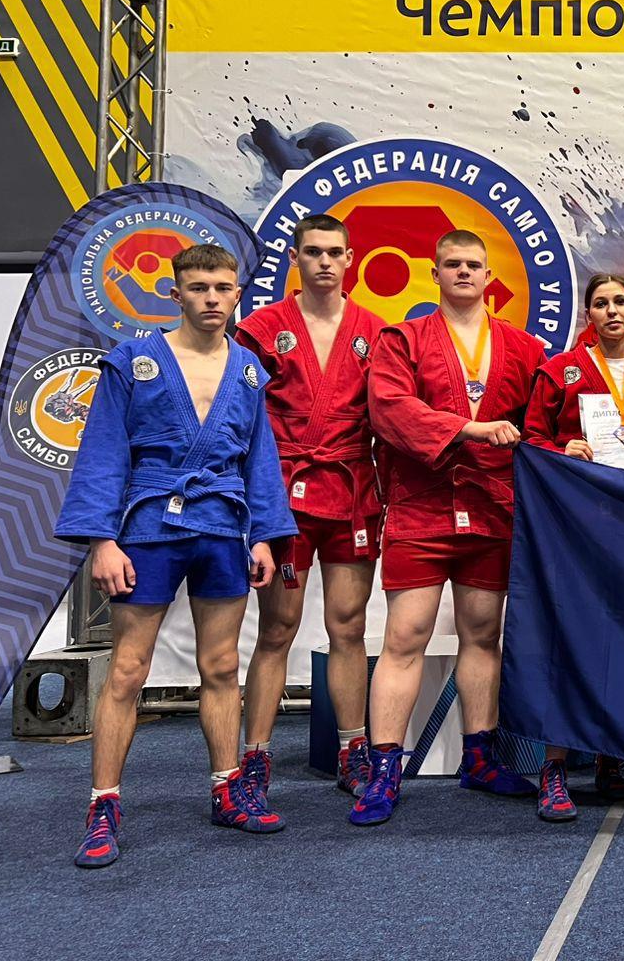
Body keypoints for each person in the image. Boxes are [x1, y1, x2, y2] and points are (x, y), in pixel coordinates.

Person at [56, 244, 297, 867]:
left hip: (222, 525)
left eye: (222, 288)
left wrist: (265, 535)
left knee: (221, 665)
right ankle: (103, 806)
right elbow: (104, 450)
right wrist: (102, 541)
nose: (211, 298)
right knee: (128, 670)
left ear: (238, 294)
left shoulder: (248, 369)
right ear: (175, 294)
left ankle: (226, 787)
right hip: (148, 527)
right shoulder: (133, 361)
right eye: (198, 288)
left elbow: (260, 458)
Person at [350, 230, 547, 826]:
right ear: (434, 273)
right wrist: (466, 428)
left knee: (483, 635)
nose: (463, 272)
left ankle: (479, 758)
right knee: (405, 636)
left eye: (473, 265)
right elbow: (388, 409)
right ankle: (384, 769)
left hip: (492, 506)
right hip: (423, 506)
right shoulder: (402, 339)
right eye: (452, 264)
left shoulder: (525, 348)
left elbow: (550, 412)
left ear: (489, 277)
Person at [524, 273, 624, 821]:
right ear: (589, 315)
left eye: (620, 301)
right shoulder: (560, 372)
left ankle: (610, 758)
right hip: (573, 524)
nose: (612, 310)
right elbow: (531, 440)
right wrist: (562, 449)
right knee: (567, 637)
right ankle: (553, 767)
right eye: (601, 303)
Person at [235, 214, 387, 808]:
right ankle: (255, 756)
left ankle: (353, 750)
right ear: (295, 258)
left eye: (334, 252)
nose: (324, 261)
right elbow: (239, 417)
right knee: (277, 628)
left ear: (351, 259)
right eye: (313, 252)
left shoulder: (376, 331)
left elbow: (392, 415)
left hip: (352, 490)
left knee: (348, 626)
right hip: (285, 493)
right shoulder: (261, 329)